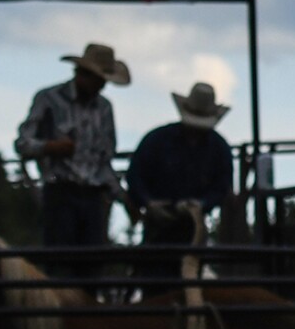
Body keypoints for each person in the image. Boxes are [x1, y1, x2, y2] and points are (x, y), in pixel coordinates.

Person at [16, 43, 129, 248]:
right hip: (60, 192)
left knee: (92, 264)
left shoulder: (104, 108)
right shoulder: (49, 99)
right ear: (83, 74)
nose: (102, 86)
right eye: (99, 80)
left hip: (94, 197)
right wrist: (50, 147)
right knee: (61, 260)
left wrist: (122, 197)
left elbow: (105, 162)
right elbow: (23, 144)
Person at [125, 81, 236, 267]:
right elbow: (135, 176)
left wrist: (200, 205)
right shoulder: (158, 140)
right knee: (156, 278)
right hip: (158, 228)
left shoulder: (218, 148)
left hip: (193, 229)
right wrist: (149, 203)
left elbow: (221, 187)